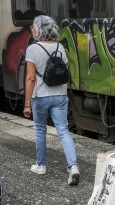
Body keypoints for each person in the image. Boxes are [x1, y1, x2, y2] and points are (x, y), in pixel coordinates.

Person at [23, 15, 80, 186]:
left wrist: (27, 104)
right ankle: (73, 166)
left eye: (33, 26)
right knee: (63, 131)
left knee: (40, 130)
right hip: (60, 95)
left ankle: (41, 165)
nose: (31, 29)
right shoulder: (60, 47)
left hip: (40, 96)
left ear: (39, 29)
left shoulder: (32, 49)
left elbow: (31, 78)